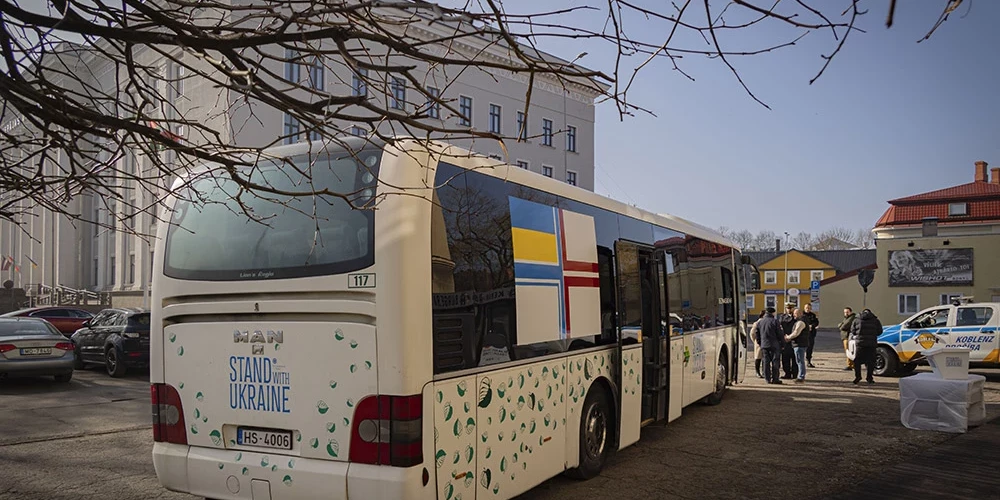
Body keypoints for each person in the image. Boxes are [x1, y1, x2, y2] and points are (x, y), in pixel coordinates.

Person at [850, 308, 882, 385]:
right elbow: (880, 331)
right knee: (871, 361)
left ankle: (858, 376)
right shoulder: (875, 320)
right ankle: (869, 378)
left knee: (857, 361)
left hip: (860, 344)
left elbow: (853, 331)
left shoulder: (857, 320)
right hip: (871, 344)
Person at [754, 307, 784, 384]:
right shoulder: (775, 321)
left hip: (764, 345)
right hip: (774, 345)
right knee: (775, 362)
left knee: (766, 362)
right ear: (773, 313)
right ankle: (775, 378)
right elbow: (779, 334)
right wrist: (782, 344)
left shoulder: (760, 322)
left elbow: (757, 334)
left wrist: (760, 343)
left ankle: (767, 379)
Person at [784, 308, 809, 383]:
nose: (794, 315)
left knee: (800, 361)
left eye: (795, 313)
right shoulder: (800, 321)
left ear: (800, 314)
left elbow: (796, 333)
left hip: (799, 344)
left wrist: (788, 337)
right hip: (800, 343)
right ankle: (800, 376)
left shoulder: (800, 322)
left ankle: (801, 377)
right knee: (799, 361)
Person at [780, 303, 798, 379]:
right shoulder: (782, 317)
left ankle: (795, 374)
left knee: (795, 358)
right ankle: (787, 373)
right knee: (785, 358)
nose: (789, 309)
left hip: (794, 340)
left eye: (790, 308)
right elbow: (780, 327)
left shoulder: (796, 318)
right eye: (787, 308)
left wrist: (791, 337)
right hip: (785, 340)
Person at [749, 310, 766, 377]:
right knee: (758, 358)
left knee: (765, 358)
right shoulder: (757, 323)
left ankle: (764, 372)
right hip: (759, 342)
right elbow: (752, 333)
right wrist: (755, 341)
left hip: (765, 342)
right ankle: (757, 372)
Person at [802, 303, 820, 368]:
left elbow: (816, 323)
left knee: (809, 348)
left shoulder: (813, 315)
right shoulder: (801, 315)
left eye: (809, 308)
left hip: (811, 335)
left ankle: (808, 361)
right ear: (804, 308)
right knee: (801, 348)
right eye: (806, 308)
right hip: (802, 335)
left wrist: (812, 326)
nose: (808, 309)